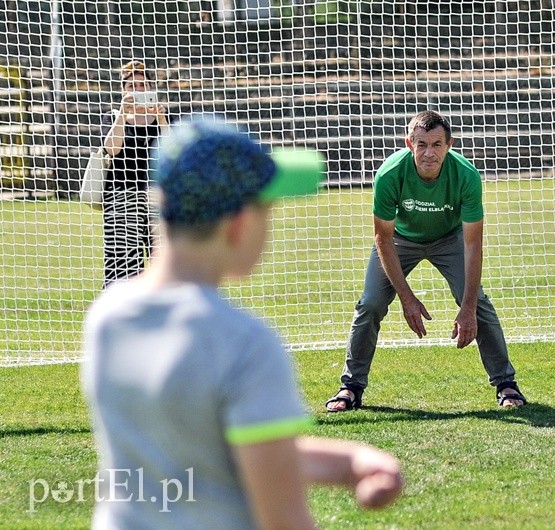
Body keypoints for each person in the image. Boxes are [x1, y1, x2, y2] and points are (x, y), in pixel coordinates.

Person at [81, 119, 404, 529]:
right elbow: (284, 519)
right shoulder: (243, 343)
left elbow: (206, 450)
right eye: (266, 209)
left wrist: (347, 463)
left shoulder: (110, 316)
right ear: (237, 223)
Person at [325, 110, 527, 412]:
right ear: (410, 144)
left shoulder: (466, 176)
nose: (429, 153)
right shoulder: (390, 174)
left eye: (436, 144)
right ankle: (350, 387)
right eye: (421, 144)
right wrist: (407, 298)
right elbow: (382, 238)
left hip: (450, 238)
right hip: (399, 241)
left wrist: (468, 308)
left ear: (449, 145)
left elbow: (473, 243)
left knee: (478, 303)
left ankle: (506, 383)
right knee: (370, 303)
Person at [98, 59, 170, 287]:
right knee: (123, 264)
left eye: (142, 85)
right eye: (131, 86)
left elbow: (173, 150)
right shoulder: (113, 117)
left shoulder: (161, 118)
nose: (137, 90)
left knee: (165, 259)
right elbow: (111, 148)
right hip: (122, 198)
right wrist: (122, 114)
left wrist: (160, 118)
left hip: (156, 198)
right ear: (123, 90)